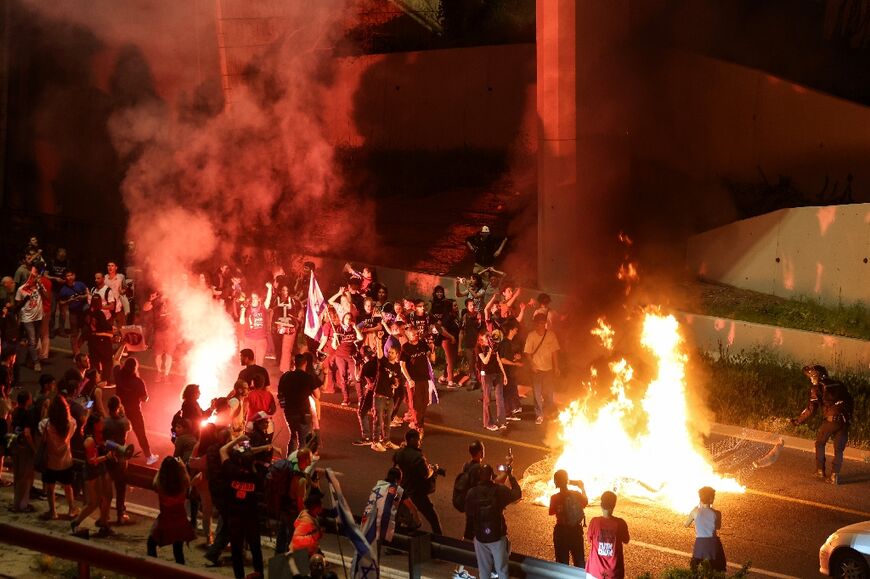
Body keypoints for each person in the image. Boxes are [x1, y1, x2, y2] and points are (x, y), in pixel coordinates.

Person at [791, 365, 853, 485]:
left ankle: (820, 471)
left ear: (816, 376)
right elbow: (850, 400)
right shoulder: (839, 384)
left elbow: (811, 409)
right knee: (839, 449)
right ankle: (834, 476)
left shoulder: (817, 388)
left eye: (811, 377)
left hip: (831, 420)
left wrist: (798, 421)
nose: (810, 379)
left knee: (820, 443)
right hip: (845, 421)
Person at [465, 463, 522, 579]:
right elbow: (517, 494)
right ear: (492, 476)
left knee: (484, 572)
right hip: (497, 537)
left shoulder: (472, 492)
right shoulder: (500, 490)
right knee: (502, 571)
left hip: (480, 537)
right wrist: (510, 476)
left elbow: (469, 513)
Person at [220, 434, 264, 579]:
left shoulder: (231, 471)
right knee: (255, 549)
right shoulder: (256, 478)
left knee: (236, 551)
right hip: (251, 518)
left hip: (235, 518)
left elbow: (223, 450)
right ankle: (259, 575)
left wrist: (237, 440)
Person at [361, 466, 419, 561]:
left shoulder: (377, 486)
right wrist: (417, 521)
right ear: (397, 479)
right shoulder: (397, 489)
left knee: (366, 551)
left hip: (366, 520)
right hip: (379, 523)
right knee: (374, 554)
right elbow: (412, 507)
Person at [392, 429, 442, 535]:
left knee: (400, 518)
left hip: (404, 490)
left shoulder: (400, 453)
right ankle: (440, 540)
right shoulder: (417, 457)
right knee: (432, 517)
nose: (419, 442)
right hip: (417, 492)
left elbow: (395, 462)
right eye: (418, 440)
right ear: (412, 440)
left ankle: (395, 541)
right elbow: (425, 473)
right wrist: (433, 469)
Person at [148, 456, 196, 565]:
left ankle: (152, 569)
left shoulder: (160, 485)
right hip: (180, 522)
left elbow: (156, 480)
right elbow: (186, 477)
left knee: (151, 544)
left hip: (165, 521)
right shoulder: (184, 483)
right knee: (178, 551)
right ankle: (180, 573)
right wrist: (181, 466)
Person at [40, 395, 78, 520]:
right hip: (66, 461)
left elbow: (42, 435)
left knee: (50, 488)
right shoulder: (71, 423)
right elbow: (73, 423)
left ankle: (53, 512)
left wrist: (45, 411)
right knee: (68, 486)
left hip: (51, 461)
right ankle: (71, 509)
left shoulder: (46, 425)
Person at [115, 357, 158, 465]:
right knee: (141, 434)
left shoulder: (118, 374)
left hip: (120, 410)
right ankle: (149, 457)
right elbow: (144, 398)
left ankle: (119, 454)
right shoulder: (138, 382)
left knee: (120, 433)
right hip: (134, 412)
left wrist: (123, 345)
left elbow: (115, 359)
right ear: (135, 368)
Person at [278, 354, 320, 454]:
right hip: (303, 413)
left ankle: (289, 462)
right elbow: (317, 395)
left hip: (289, 412)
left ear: (294, 363)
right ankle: (299, 464)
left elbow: (280, 394)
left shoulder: (285, 376)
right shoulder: (308, 377)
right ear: (305, 363)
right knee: (303, 440)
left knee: (293, 436)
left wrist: (285, 405)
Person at [523, 313, 560, 425]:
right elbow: (527, 353)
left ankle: (549, 413)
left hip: (548, 369)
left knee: (549, 393)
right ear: (536, 324)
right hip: (537, 370)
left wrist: (556, 367)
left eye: (543, 323)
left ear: (545, 324)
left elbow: (554, 352)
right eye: (539, 323)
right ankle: (539, 415)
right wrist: (532, 365)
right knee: (537, 394)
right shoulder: (531, 336)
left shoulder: (551, 335)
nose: (541, 325)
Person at [102, 395, 133, 524]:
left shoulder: (104, 421)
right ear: (118, 406)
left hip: (107, 456)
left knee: (106, 489)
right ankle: (120, 515)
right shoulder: (124, 422)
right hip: (120, 457)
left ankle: (105, 514)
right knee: (120, 488)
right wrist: (123, 413)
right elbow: (129, 428)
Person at [399, 326, 436, 433]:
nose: (417, 335)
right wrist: (409, 379)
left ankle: (418, 422)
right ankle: (417, 424)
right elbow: (402, 365)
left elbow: (432, 359)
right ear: (408, 335)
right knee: (416, 403)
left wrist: (432, 350)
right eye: (414, 334)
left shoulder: (422, 344)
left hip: (424, 378)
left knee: (424, 402)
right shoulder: (405, 348)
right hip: (414, 380)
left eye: (417, 333)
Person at [586, 491, 630, 579]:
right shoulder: (620, 523)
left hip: (595, 571)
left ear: (601, 505)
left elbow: (589, 540)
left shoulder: (594, 522)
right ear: (613, 505)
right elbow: (626, 540)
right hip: (614, 573)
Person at [549, 469, 588, 567]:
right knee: (579, 562)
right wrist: (582, 488)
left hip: (561, 533)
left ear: (556, 482)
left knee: (562, 564)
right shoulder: (576, 494)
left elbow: (551, 512)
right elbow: (585, 502)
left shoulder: (554, 497)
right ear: (567, 480)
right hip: (576, 532)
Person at [684, 486, 726, 572]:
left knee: (694, 568)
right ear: (711, 499)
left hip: (700, 544)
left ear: (700, 498)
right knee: (719, 567)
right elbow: (718, 527)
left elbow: (686, 524)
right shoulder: (717, 513)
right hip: (713, 544)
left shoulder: (695, 511)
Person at [372, 337, 402, 452]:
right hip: (379, 395)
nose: (389, 354)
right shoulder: (383, 362)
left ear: (397, 354)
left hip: (390, 396)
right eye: (389, 352)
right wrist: (379, 340)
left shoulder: (397, 367)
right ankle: (375, 442)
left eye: (392, 353)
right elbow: (379, 352)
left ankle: (386, 441)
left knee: (388, 420)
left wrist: (396, 384)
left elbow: (397, 380)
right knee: (378, 420)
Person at [475, 330, 508, 431]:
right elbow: (485, 361)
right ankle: (488, 423)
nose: (489, 338)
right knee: (487, 399)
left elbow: (498, 359)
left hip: (497, 373)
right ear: (481, 339)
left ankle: (502, 420)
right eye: (487, 337)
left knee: (500, 398)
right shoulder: (478, 347)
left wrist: (504, 374)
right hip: (487, 374)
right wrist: (490, 350)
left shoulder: (494, 345)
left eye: (489, 336)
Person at [10, 390, 37, 513]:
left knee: (17, 476)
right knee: (24, 478)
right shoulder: (27, 414)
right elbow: (27, 434)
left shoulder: (15, 412)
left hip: (15, 446)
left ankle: (16, 503)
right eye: (30, 397)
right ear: (27, 400)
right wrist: (34, 449)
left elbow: (11, 427)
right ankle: (22, 505)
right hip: (24, 448)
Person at [15, 268, 46, 372]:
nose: (34, 279)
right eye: (32, 277)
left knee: (35, 341)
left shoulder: (38, 287)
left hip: (38, 317)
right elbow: (17, 305)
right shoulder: (21, 289)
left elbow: (47, 297)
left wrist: (41, 286)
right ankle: (36, 362)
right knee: (32, 341)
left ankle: (29, 360)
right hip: (27, 318)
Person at [58, 271, 89, 356]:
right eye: (67, 276)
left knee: (86, 330)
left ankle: (77, 347)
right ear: (65, 278)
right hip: (73, 312)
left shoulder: (80, 284)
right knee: (74, 333)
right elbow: (60, 302)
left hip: (84, 311)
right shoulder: (63, 289)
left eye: (71, 275)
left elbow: (88, 294)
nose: (70, 277)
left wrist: (82, 297)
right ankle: (76, 353)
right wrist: (68, 301)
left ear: (74, 276)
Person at [239, 287, 272, 366]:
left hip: (261, 339)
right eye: (252, 298)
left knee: (259, 363)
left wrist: (270, 288)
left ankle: (257, 377)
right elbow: (242, 322)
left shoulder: (263, 308)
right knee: (249, 362)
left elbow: (268, 300)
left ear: (259, 299)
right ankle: (248, 377)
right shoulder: (247, 309)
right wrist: (243, 311)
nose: (253, 300)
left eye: (255, 298)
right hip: (249, 339)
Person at [291, 493, 324, 557]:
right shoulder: (306, 521)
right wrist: (315, 536)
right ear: (316, 508)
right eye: (320, 506)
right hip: (304, 555)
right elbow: (296, 540)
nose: (321, 508)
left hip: (310, 552)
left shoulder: (311, 515)